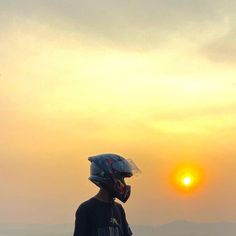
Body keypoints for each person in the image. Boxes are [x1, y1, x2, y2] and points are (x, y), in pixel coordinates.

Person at [73, 153, 140, 236]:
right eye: (121, 178)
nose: (124, 184)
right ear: (109, 176)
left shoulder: (119, 209)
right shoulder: (86, 209)